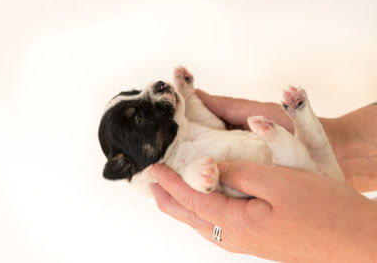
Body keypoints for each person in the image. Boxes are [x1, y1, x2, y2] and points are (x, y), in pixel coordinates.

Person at [149, 90, 377, 263]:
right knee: (310, 156)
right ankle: (291, 123)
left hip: (272, 183)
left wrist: (346, 229)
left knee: (306, 158)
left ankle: (285, 129)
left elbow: (217, 228)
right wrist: (344, 135)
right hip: (279, 178)